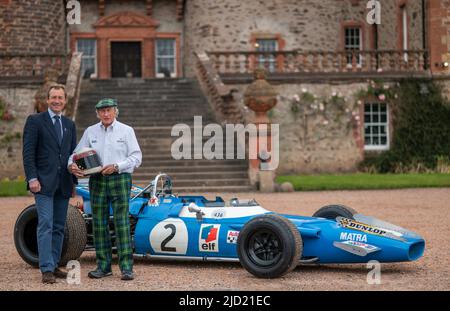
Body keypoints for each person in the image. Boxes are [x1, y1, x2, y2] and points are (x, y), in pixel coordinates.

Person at [68, 98, 142, 281]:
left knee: (121, 223)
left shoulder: (126, 131)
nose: (106, 114)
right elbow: (75, 155)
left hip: (120, 178)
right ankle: (103, 266)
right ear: (98, 113)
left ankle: (126, 268)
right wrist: (72, 165)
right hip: (97, 180)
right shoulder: (90, 131)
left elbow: (136, 157)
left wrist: (117, 166)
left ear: (116, 111)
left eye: (109, 110)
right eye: (102, 111)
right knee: (99, 224)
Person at [22, 84, 78, 284]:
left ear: (65, 101)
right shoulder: (35, 121)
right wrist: (32, 178)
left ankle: (54, 264)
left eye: (60, 98)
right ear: (48, 100)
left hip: (63, 184)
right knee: (45, 224)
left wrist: (73, 180)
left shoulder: (69, 125)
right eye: (53, 97)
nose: (57, 101)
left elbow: (72, 156)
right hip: (43, 183)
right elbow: (28, 152)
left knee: (58, 226)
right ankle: (46, 268)